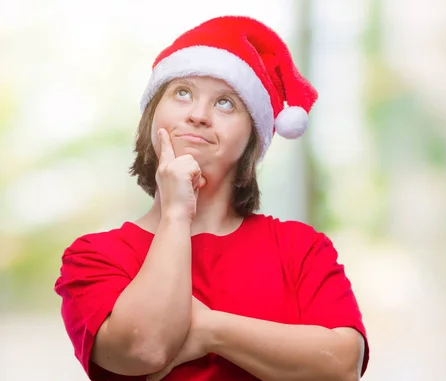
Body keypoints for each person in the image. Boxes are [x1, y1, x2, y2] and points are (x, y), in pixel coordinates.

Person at [54, 15, 369, 381]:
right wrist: (175, 213)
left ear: (252, 140)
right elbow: (144, 349)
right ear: (152, 119)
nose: (199, 115)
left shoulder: (300, 249)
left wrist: (208, 329)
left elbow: (342, 365)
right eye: (182, 93)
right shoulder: (94, 257)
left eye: (225, 103)